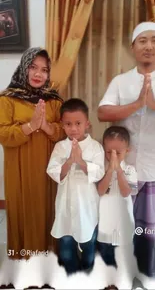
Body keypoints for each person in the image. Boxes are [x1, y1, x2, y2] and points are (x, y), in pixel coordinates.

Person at [98, 21, 155, 278]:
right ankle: (118, 273)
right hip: (123, 168)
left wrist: (151, 104)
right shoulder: (121, 81)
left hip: (153, 169)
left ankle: (146, 274)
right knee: (120, 226)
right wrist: (136, 104)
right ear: (133, 46)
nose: (149, 46)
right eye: (142, 41)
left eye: (154, 40)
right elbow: (102, 112)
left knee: (149, 229)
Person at [0, 47, 64, 260]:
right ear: (23, 68)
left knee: (48, 212)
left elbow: (65, 132)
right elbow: (2, 133)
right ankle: (23, 265)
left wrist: (46, 126)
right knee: (22, 212)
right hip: (18, 170)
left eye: (44, 70)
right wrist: (30, 126)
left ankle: (48, 263)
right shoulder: (7, 99)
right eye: (33, 67)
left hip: (48, 171)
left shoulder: (54, 100)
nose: (38, 74)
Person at [47, 98, 105, 275]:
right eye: (68, 124)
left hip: (87, 207)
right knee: (66, 243)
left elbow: (99, 173)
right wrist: (70, 160)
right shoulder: (59, 147)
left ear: (87, 124)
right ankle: (71, 272)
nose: (73, 128)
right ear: (62, 125)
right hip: (65, 205)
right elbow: (54, 172)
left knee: (88, 241)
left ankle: (87, 268)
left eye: (78, 123)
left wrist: (79, 161)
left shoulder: (95, 147)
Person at [97, 126, 137, 289]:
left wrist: (118, 170)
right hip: (106, 222)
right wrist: (109, 171)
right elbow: (100, 190)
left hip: (123, 223)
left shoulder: (130, 170)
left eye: (118, 153)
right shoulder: (101, 169)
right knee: (106, 253)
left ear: (127, 150)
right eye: (109, 152)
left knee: (122, 255)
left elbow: (126, 191)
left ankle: (123, 282)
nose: (113, 156)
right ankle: (109, 283)